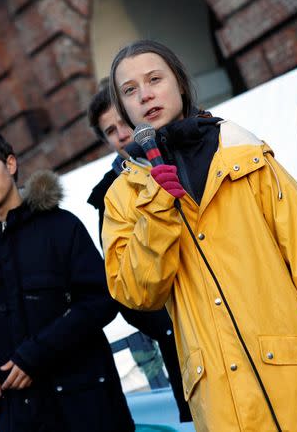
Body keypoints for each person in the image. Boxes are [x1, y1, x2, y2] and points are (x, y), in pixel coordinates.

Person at [101, 40, 297, 431]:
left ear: (178, 82)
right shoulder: (124, 197)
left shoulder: (242, 150)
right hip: (221, 400)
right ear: (124, 108)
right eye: (129, 90)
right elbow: (137, 292)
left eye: (154, 79)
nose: (144, 95)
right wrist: (156, 212)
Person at [0, 127, 134, 432]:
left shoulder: (61, 226)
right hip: (23, 415)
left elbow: (101, 299)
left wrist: (38, 352)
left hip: (90, 405)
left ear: (9, 164)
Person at [86, 85, 191, 422]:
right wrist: (172, 324)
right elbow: (122, 283)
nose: (120, 135)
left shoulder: (191, 151)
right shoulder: (108, 196)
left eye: (122, 123)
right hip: (182, 343)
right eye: (109, 131)